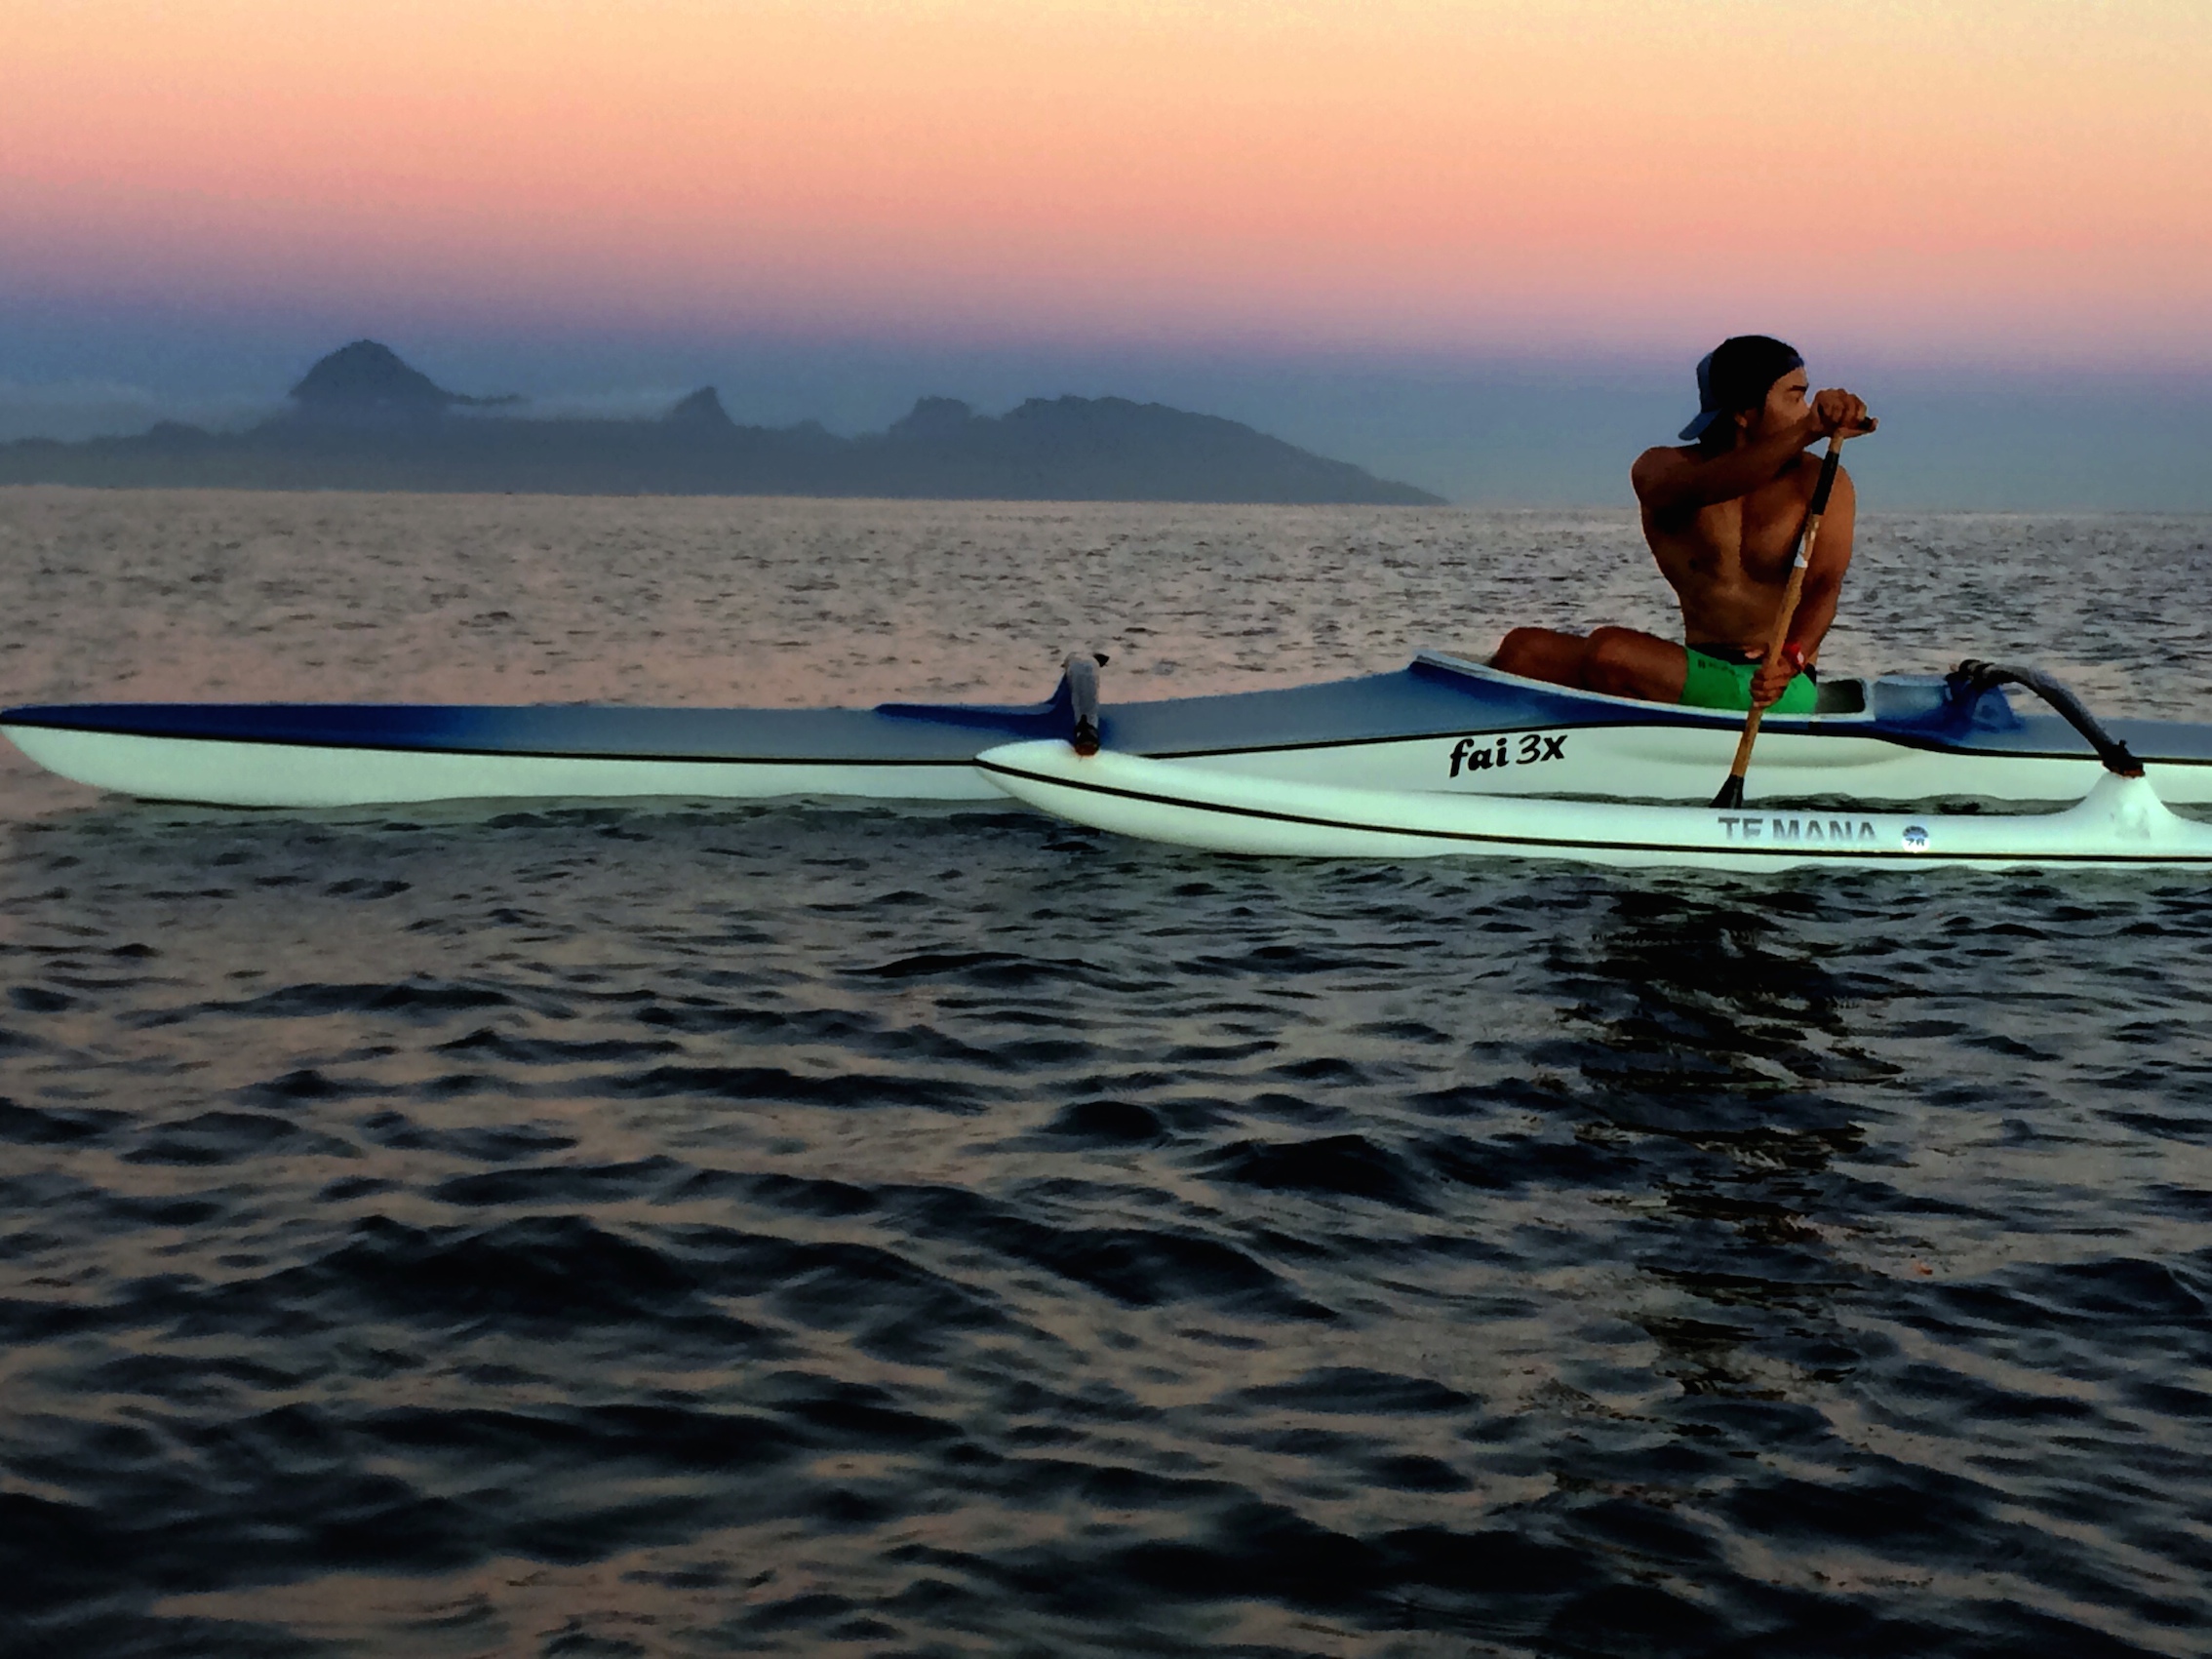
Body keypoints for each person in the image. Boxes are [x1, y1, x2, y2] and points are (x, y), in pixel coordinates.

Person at [1493, 336, 1875, 713]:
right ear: (1743, 413)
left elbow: (1825, 586)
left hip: (1776, 682)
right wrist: (1807, 431)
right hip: (1699, 667)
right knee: (1522, 651)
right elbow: (1713, 484)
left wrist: (1791, 659)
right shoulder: (1662, 470)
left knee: (1611, 652)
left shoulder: (1822, 481)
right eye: (1794, 397)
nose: (1806, 411)